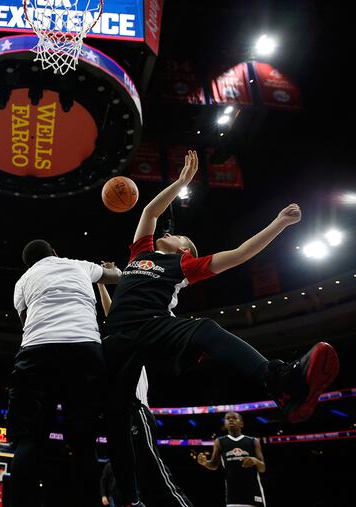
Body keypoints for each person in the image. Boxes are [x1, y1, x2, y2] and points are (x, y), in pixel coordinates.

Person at [102, 150, 340, 506]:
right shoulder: (139, 254)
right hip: (116, 338)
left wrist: (279, 223)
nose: (171, 232)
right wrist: (180, 182)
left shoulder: (184, 266)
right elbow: (150, 211)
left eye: (179, 235)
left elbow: (242, 252)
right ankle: (130, 498)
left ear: (186, 249)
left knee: (206, 328)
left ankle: (281, 381)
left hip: (153, 327)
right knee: (118, 423)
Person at [8, 241, 121, 507]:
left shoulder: (23, 280)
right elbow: (118, 277)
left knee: (28, 439)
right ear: (56, 252)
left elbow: (26, 325)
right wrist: (111, 269)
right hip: (84, 350)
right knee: (84, 444)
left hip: (37, 351)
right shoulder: (78, 265)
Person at [97, 279, 193, 507]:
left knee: (154, 475)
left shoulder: (138, 330)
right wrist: (101, 285)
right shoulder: (111, 343)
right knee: (136, 484)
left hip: (137, 408)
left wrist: (103, 285)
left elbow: (113, 313)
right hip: (119, 412)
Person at [197, 412, 266, 506]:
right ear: (225, 424)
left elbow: (262, 468)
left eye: (234, 418)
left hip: (253, 492)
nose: (231, 420)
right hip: (232, 495)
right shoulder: (219, 441)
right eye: (227, 418)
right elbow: (214, 465)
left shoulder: (253, 441)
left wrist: (255, 461)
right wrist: (205, 463)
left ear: (241, 423)